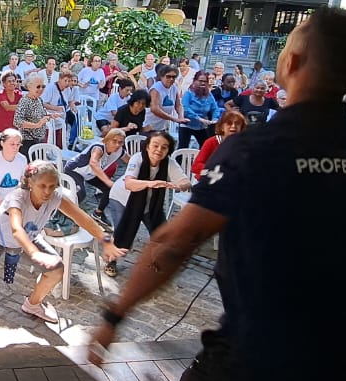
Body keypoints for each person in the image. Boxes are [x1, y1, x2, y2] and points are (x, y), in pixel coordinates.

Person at [90, 8, 346, 381]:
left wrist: (114, 315)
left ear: (290, 61)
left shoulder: (255, 151)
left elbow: (174, 243)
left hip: (265, 354)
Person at [0, 160, 125, 336]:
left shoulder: (55, 197)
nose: (48, 191)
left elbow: (82, 218)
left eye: (52, 186)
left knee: (57, 269)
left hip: (27, 237)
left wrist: (105, 239)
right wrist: (35, 254)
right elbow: (17, 229)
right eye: (43, 186)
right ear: (31, 183)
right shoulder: (17, 197)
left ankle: (33, 304)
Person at [101, 131, 190, 276]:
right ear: (147, 146)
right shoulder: (137, 159)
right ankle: (112, 260)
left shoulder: (169, 163)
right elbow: (129, 183)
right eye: (155, 145)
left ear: (168, 150)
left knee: (161, 233)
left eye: (164, 147)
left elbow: (185, 181)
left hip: (150, 204)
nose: (159, 150)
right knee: (122, 231)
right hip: (122, 200)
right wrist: (151, 183)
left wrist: (179, 186)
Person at [64, 129, 126, 222]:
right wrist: (107, 181)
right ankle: (67, 215)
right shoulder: (99, 148)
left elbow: (131, 160)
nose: (117, 145)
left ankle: (98, 213)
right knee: (81, 193)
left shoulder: (120, 151)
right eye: (114, 141)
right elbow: (93, 163)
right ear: (107, 140)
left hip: (90, 173)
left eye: (120, 142)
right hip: (76, 170)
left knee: (109, 190)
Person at [192, 110, 247, 180]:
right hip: (208, 181)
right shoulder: (211, 142)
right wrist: (215, 171)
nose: (233, 126)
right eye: (229, 123)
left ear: (241, 128)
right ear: (222, 127)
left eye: (237, 123)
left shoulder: (243, 144)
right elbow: (195, 167)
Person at [179, 71, 220, 149]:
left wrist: (215, 119)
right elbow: (186, 109)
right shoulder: (188, 94)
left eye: (205, 81)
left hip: (201, 126)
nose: (203, 83)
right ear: (195, 81)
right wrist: (199, 119)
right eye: (200, 81)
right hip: (187, 125)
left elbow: (215, 109)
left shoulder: (209, 95)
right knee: (182, 148)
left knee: (206, 147)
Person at [14, 75, 53, 155]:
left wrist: (50, 115)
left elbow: (42, 113)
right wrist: (36, 125)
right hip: (27, 143)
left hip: (39, 141)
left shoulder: (39, 99)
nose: (41, 89)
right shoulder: (25, 101)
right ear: (29, 87)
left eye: (43, 86)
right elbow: (17, 121)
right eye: (38, 87)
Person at [42, 70, 80, 147]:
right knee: (50, 140)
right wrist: (56, 108)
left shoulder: (68, 89)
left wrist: (72, 105)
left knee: (59, 142)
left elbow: (70, 100)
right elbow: (43, 103)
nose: (67, 83)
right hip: (51, 118)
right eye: (65, 81)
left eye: (69, 81)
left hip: (62, 118)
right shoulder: (51, 88)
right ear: (59, 79)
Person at [146, 65, 184, 131]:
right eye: (168, 76)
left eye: (173, 77)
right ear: (162, 76)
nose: (171, 79)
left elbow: (178, 106)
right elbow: (155, 109)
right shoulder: (156, 89)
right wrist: (174, 119)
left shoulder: (174, 88)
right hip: (149, 127)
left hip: (162, 127)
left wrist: (181, 117)